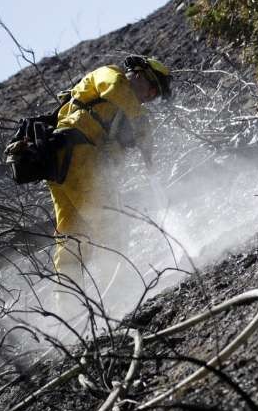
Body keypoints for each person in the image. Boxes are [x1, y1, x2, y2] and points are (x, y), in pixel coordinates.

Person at [48, 55, 172, 319]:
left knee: (72, 240)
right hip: (77, 156)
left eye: (156, 94)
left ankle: (67, 314)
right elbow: (114, 88)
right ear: (138, 74)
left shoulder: (128, 109)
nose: (151, 95)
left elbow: (138, 137)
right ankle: (117, 304)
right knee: (110, 226)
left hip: (64, 165)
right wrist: (139, 119)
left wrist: (149, 158)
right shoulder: (111, 75)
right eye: (152, 86)